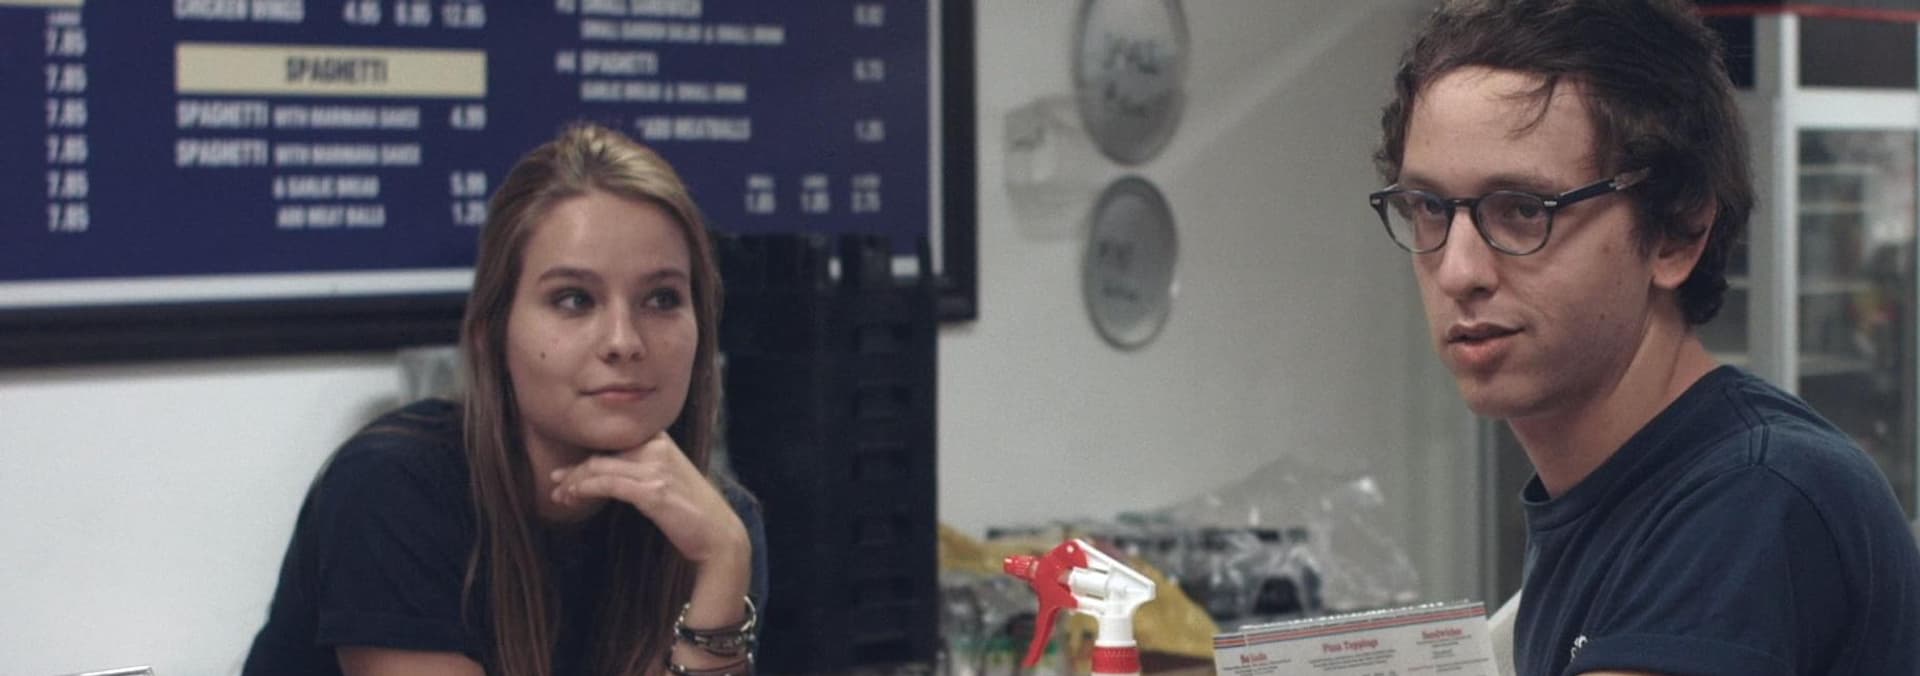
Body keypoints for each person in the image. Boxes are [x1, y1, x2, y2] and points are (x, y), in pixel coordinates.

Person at [1369, 1, 1920, 674]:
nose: (1458, 272)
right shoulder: (1605, 495)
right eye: (1430, 208)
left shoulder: (1751, 496)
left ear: (1676, 234)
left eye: (1523, 210)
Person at [243, 122, 767, 676]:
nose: (624, 341)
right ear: (491, 334)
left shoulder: (717, 527)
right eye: (574, 299)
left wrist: (723, 565)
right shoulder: (391, 488)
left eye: (662, 299)